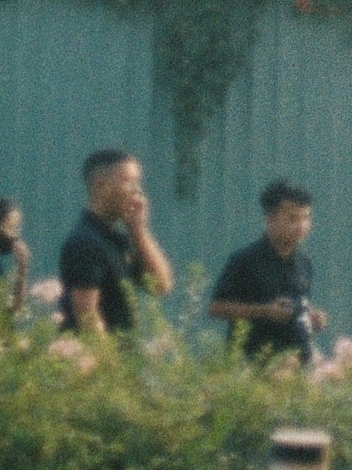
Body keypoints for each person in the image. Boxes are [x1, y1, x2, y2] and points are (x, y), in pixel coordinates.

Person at [58, 147, 175, 337]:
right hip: (96, 361)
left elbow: (161, 285)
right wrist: (109, 365)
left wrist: (138, 230)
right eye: (128, 181)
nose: (137, 191)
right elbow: (87, 316)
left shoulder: (117, 238)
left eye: (138, 183)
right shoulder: (85, 242)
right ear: (100, 185)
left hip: (123, 355)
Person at [204, 181, 325, 361]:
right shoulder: (245, 260)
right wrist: (264, 311)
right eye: (293, 218)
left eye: (306, 218)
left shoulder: (304, 264)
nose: (301, 225)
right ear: (270, 220)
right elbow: (216, 308)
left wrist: (312, 317)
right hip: (254, 366)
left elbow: (299, 305)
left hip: (294, 367)